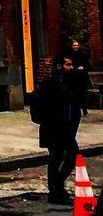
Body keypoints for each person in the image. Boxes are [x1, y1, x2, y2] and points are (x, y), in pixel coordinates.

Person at [32, 54, 82, 205]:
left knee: (70, 156)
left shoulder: (66, 83)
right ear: (59, 66)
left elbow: (72, 105)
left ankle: (57, 189)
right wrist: (47, 120)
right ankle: (55, 191)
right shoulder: (49, 85)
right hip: (54, 129)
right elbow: (39, 106)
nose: (70, 68)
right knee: (57, 158)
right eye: (68, 65)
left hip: (66, 130)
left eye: (71, 65)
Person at [65, 40, 93, 116]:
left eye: (77, 45)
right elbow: (66, 65)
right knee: (72, 94)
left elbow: (88, 66)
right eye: (74, 45)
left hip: (80, 77)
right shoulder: (68, 55)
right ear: (72, 46)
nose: (76, 47)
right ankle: (74, 111)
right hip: (72, 77)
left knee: (81, 94)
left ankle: (84, 109)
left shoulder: (82, 55)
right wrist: (70, 67)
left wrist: (83, 67)